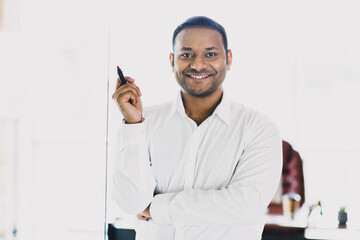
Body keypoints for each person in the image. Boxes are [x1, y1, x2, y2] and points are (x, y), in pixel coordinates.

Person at [112, 16, 282, 240]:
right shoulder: (141, 123)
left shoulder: (258, 128)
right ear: (172, 61)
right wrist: (134, 126)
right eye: (186, 55)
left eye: (210, 54)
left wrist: (156, 208)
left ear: (228, 59)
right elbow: (131, 202)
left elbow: (244, 207)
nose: (198, 65)